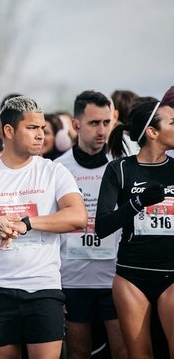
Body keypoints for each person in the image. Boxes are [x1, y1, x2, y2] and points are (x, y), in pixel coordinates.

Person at [0, 95, 87, 359]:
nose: (41, 134)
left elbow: (77, 216)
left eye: (42, 128)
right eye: (32, 128)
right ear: (10, 131)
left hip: (43, 288)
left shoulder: (53, 171)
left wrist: (26, 224)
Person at [96, 100, 174, 358]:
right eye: (172, 123)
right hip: (132, 276)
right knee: (139, 355)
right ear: (152, 132)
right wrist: (138, 202)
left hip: (171, 273)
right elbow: (102, 227)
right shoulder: (119, 169)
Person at [55, 91, 127, 359]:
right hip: (73, 279)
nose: (102, 130)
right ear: (75, 125)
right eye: (94, 123)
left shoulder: (120, 166)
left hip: (115, 277)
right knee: (78, 352)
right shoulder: (58, 169)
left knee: (123, 351)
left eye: (107, 123)